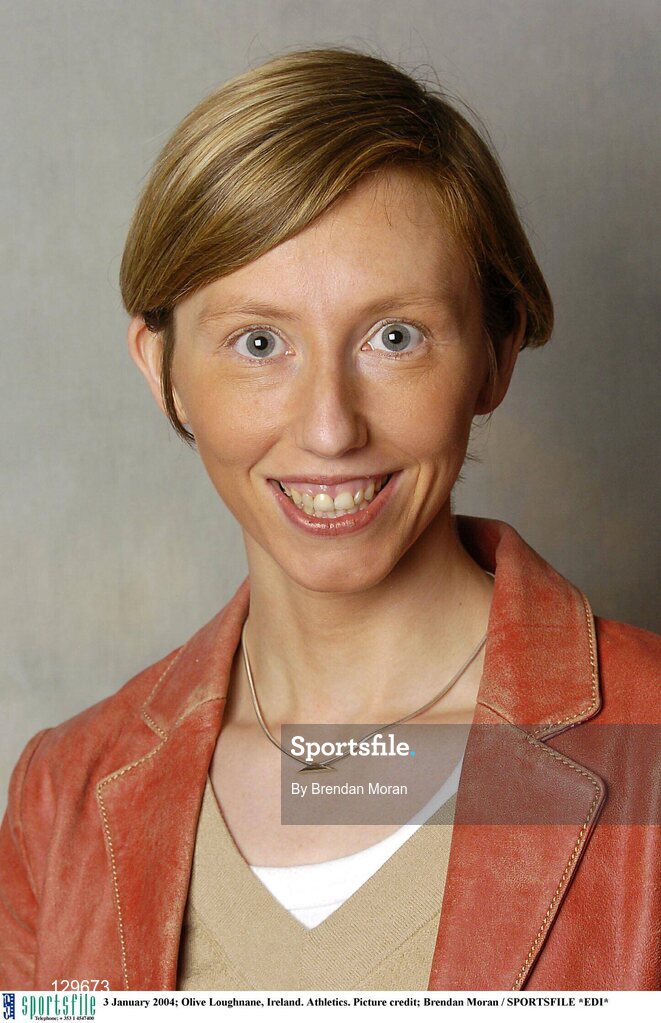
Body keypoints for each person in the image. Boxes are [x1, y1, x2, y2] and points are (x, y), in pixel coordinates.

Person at [0, 48, 658, 993]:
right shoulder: (59, 795)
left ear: (495, 353)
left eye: (395, 337)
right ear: (162, 370)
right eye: (258, 342)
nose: (328, 427)